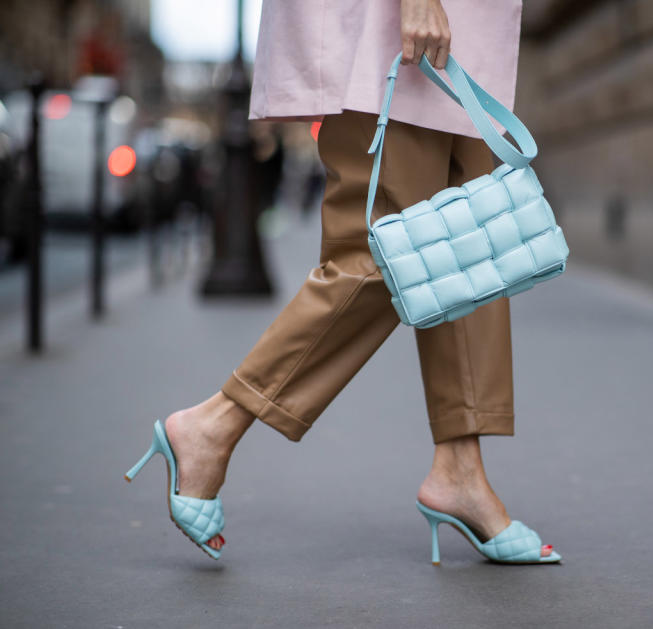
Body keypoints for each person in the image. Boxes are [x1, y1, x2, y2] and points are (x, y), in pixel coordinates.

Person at [126, 0, 559, 565]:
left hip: (474, 26)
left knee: (471, 246)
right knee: (381, 251)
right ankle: (212, 425)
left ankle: (461, 470)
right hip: (398, 24)